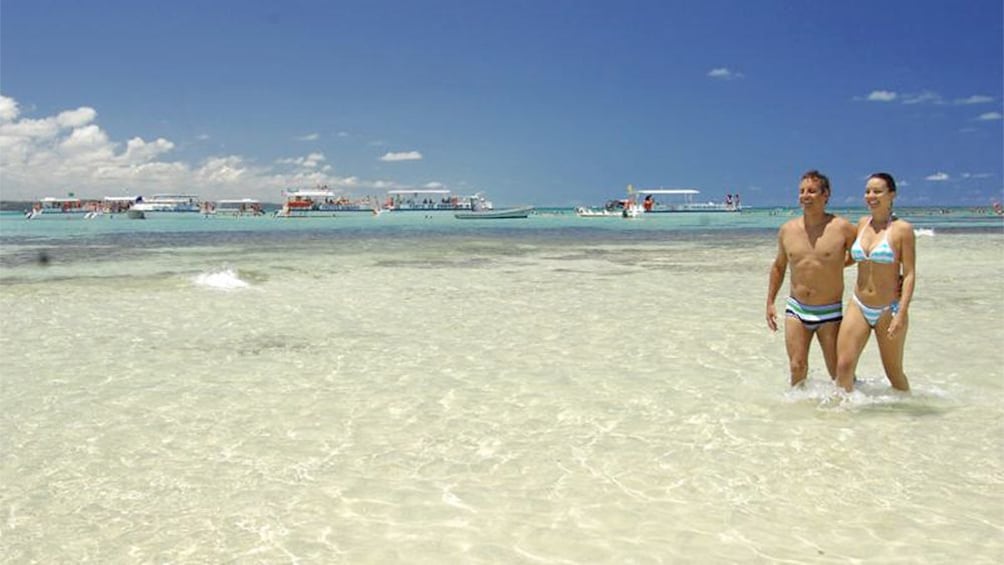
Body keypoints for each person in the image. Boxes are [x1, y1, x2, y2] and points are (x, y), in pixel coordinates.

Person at [766, 170, 856, 387]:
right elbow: (779, 266)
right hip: (796, 309)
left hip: (830, 310)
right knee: (797, 367)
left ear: (826, 195)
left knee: (839, 374)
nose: (805, 196)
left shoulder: (842, 227)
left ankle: (846, 418)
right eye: (802, 191)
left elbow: (863, 254)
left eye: (812, 191)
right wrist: (770, 302)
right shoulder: (787, 230)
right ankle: (798, 417)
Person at [835, 173, 915, 392]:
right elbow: (850, 257)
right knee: (844, 366)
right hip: (859, 304)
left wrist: (901, 314)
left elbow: (908, 274)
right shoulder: (861, 224)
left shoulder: (903, 230)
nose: (871, 196)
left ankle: (909, 417)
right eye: (868, 191)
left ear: (892, 195)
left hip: (888, 309)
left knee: (894, 373)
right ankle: (841, 422)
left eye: (877, 191)